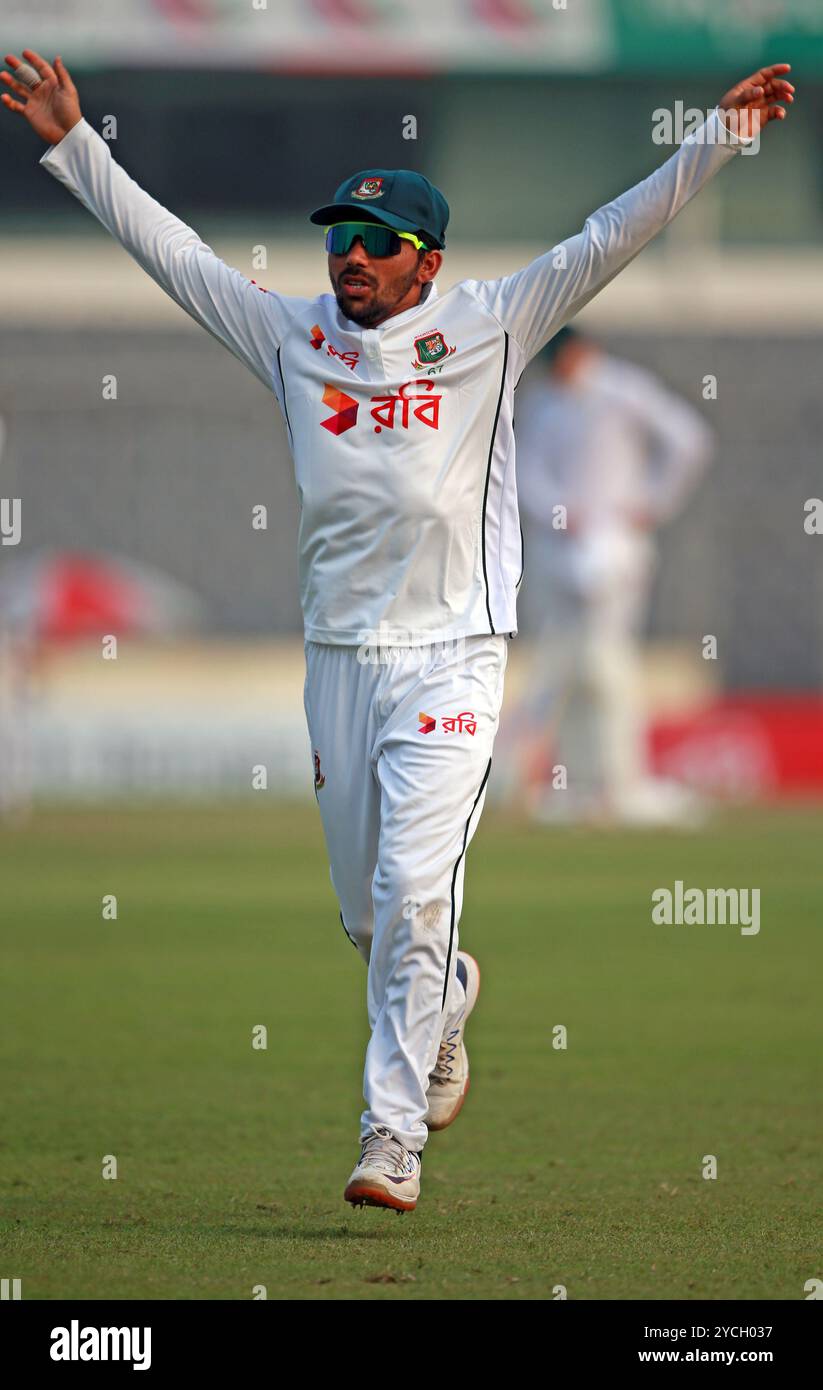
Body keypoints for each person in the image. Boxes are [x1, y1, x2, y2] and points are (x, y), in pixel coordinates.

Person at [1, 47, 794, 1212]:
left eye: (375, 244)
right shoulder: (291, 337)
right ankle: (448, 1005)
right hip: (339, 663)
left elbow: (605, 237)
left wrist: (715, 140)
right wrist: (76, 147)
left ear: (424, 260)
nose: (349, 259)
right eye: (338, 239)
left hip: (454, 655)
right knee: (376, 922)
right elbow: (174, 255)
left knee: (418, 890)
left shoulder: (493, 324)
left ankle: (390, 1137)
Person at [513, 327, 714, 825]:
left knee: (608, 664)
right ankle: (578, 787)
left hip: (615, 549)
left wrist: (650, 502)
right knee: (563, 668)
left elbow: (689, 439)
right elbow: (524, 472)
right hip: (557, 552)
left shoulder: (623, 389)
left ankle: (624, 785)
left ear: (581, 354)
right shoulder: (542, 403)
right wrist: (558, 512)